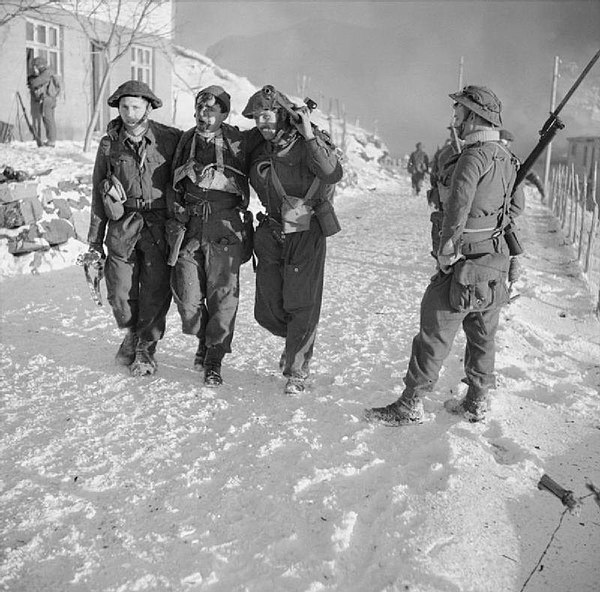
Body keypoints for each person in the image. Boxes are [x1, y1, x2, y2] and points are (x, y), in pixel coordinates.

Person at [364, 85, 525, 426]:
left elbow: (458, 207)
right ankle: (477, 401)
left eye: (459, 114)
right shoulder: (509, 158)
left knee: (433, 330)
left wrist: (446, 252)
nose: (455, 120)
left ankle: (411, 403)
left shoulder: (474, 155)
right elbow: (517, 207)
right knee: (483, 335)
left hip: (463, 262)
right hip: (494, 261)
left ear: (474, 116)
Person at [242, 85, 343, 395]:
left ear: (283, 115)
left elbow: (332, 173)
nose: (262, 122)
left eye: (268, 115)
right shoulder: (258, 146)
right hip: (271, 229)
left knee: (302, 303)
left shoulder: (308, 142)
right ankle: (295, 340)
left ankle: (297, 369)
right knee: (267, 310)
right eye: (257, 117)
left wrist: (309, 134)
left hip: (304, 226)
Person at [87, 80, 182, 376]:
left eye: (136, 107)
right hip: (122, 225)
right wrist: (94, 242)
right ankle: (131, 332)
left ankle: (145, 349)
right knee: (119, 291)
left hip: (157, 226)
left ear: (148, 108)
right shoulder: (109, 144)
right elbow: (97, 191)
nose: (129, 113)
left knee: (155, 290)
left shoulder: (170, 139)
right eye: (124, 106)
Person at [168, 85, 257, 386]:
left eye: (210, 110)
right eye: (199, 108)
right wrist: (186, 175)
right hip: (191, 226)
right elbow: (171, 180)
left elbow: (263, 152)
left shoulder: (238, 141)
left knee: (223, 295)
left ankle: (214, 355)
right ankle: (204, 338)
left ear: (223, 114)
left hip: (225, 228)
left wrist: (223, 180)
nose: (203, 114)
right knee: (188, 297)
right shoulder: (186, 139)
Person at [499, 129, 545, 199]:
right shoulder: (513, 160)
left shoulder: (487, 154)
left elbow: (531, 175)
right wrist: (542, 191)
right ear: (507, 143)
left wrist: (542, 191)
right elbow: (532, 175)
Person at [27, 56, 61, 147]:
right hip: (51, 99)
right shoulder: (49, 72)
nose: (35, 68)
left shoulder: (46, 73)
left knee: (48, 120)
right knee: (50, 120)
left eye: (36, 66)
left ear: (40, 65)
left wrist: (31, 80)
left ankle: (51, 141)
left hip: (47, 99)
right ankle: (51, 140)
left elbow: (35, 83)